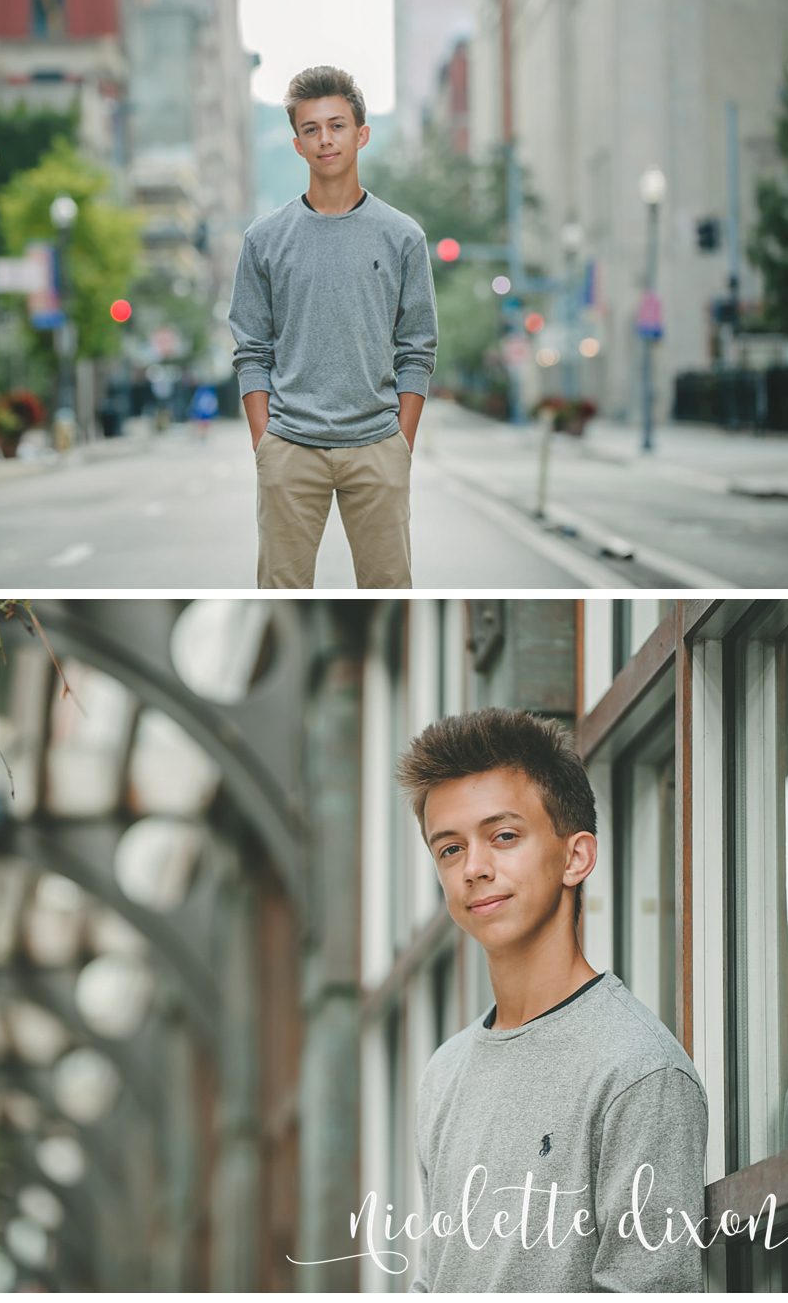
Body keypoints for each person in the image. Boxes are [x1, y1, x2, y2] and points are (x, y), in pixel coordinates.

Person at [397, 709, 708, 1291]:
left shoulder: (639, 1071)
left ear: (575, 857)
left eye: (504, 837)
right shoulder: (444, 1074)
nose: (475, 869)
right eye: (449, 849)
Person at [229, 65, 438, 588]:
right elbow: (251, 350)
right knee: (281, 597)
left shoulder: (403, 237)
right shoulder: (264, 240)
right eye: (311, 129)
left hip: (376, 445)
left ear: (361, 134)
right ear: (297, 144)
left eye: (337, 125)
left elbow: (417, 349)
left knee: (390, 596)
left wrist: (400, 443)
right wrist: (266, 443)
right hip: (290, 446)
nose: (325, 139)